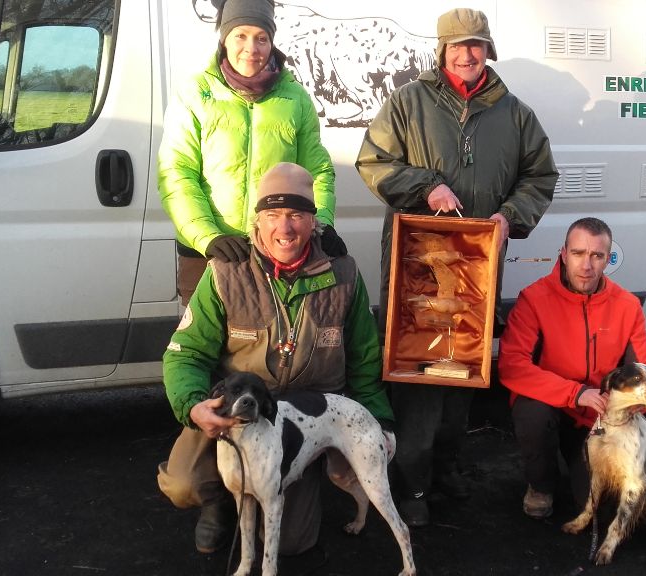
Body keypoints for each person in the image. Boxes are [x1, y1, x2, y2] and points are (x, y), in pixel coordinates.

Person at [355, 7, 558, 527]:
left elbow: (540, 175)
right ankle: (411, 485)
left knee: (463, 364)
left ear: (488, 50)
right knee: (417, 368)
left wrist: (511, 217)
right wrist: (426, 186)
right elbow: (374, 162)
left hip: (478, 262)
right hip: (417, 261)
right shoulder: (407, 102)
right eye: (457, 46)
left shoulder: (515, 113)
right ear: (442, 51)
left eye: (476, 45)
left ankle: (447, 470)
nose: (467, 54)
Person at [156, 162, 394, 568]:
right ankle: (223, 504)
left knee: (292, 544)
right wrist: (195, 406)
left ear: (314, 221)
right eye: (273, 215)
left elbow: (364, 357)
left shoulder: (344, 274)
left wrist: (379, 421)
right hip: (234, 410)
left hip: (300, 421)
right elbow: (186, 354)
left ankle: (306, 469)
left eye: (297, 215)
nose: (285, 228)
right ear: (257, 221)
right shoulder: (225, 274)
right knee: (183, 483)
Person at [157, 0, 341, 306]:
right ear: (224, 37)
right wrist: (208, 237)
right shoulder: (194, 93)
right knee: (202, 347)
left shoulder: (295, 97)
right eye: (240, 35)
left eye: (261, 38)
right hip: (209, 252)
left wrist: (322, 223)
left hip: (275, 251)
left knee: (269, 346)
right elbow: (176, 172)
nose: (251, 48)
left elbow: (317, 172)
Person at [497, 217, 646, 519]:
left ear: (608, 259)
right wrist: (576, 393)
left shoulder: (627, 305)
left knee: (598, 509)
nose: (587, 265)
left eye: (597, 256)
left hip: (597, 418)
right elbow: (512, 366)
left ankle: (579, 463)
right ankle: (541, 485)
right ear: (563, 253)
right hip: (554, 405)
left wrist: (628, 402)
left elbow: (644, 370)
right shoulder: (534, 299)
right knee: (531, 412)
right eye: (578, 253)